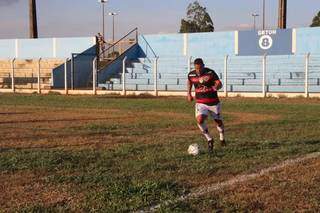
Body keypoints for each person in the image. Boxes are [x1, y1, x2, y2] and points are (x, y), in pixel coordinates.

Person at [187, 58, 226, 153]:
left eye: (200, 68)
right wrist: (188, 93)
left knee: (218, 122)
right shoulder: (191, 74)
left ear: (203, 65)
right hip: (200, 102)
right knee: (200, 120)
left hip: (213, 102)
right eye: (196, 68)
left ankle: (222, 137)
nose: (198, 70)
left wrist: (217, 86)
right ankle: (209, 139)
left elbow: (219, 83)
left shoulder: (210, 72)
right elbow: (190, 81)